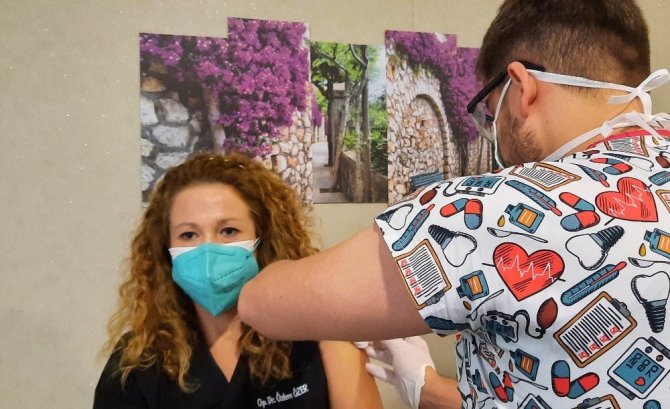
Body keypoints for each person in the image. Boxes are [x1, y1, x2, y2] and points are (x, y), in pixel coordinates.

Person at [239, 1, 670, 408]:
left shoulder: (493, 211)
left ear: (521, 88)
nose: (493, 134)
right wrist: (427, 387)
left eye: (490, 114)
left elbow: (266, 307)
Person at [93, 152, 382, 409]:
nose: (208, 251)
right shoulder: (137, 363)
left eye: (228, 231)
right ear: (165, 250)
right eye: (188, 235)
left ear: (264, 240)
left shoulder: (322, 333)